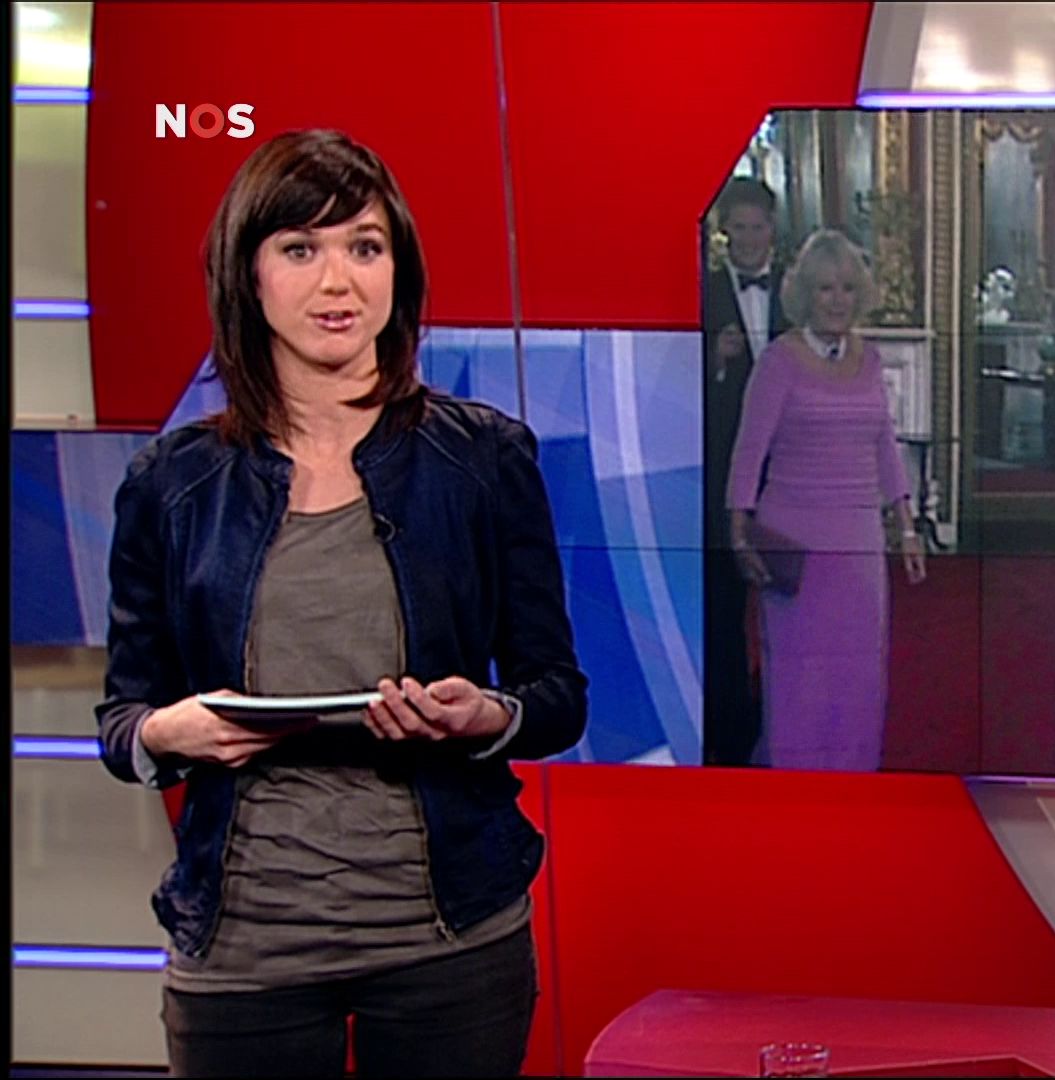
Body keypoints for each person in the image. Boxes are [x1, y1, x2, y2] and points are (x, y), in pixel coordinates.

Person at [94, 129, 587, 1077]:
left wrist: (487, 715)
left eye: (365, 246)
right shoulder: (172, 484)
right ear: (248, 275)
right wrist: (170, 733)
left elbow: (557, 695)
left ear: (398, 269)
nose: (338, 282)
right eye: (300, 248)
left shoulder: (483, 459)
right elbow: (123, 721)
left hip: (448, 941)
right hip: (245, 950)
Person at [725, 229, 926, 771]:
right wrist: (739, 534)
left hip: (859, 542)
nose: (837, 301)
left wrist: (907, 525)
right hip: (795, 541)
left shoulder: (870, 359)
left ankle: (854, 773)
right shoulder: (778, 362)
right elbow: (749, 452)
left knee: (859, 666)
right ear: (805, 295)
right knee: (800, 669)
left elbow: (884, 444)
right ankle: (794, 776)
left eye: (846, 289)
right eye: (825, 289)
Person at [702, 177, 792, 766]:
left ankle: (790, 718)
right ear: (724, 233)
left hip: (787, 467)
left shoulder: (799, 292)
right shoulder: (701, 293)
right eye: (740, 228)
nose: (750, 239)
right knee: (725, 603)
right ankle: (731, 731)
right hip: (721, 466)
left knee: (791, 596)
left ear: (772, 230)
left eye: (759, 227)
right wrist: (714, 358)